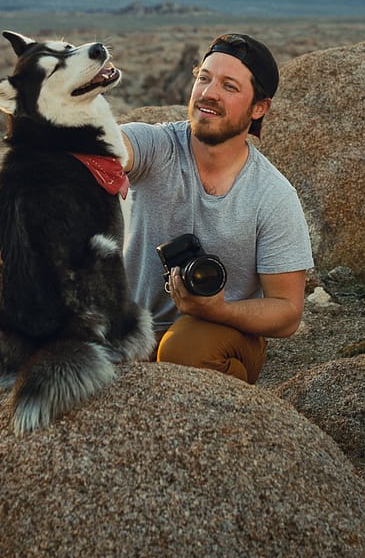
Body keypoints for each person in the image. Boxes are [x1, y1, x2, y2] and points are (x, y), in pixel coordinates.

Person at [120, 33, 314, 383]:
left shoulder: (271, 195)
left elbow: (287, 313)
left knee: (184, 350)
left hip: (221, 330)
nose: (209, 93)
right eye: (204, 78)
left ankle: (238, 414)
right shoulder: (156, 147)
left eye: (229, 86)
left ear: (259, 108)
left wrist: (219, 308)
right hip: (134, 328)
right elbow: (108, 144)